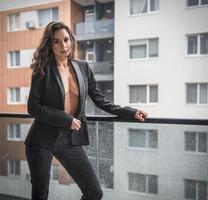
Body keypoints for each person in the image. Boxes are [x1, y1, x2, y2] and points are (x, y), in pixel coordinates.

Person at [24, 21, 148, 200]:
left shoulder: (82, 67)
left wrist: (130, 112)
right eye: (56, 41)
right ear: (49, 44)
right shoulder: (42, 69)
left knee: (94, 193)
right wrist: (65, 119)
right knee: (40, 195)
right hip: (41, 140)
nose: (63, 45)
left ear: (72, 40)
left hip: (69, 140)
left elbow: (100, 99)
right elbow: (33, 107)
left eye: (66, 40)